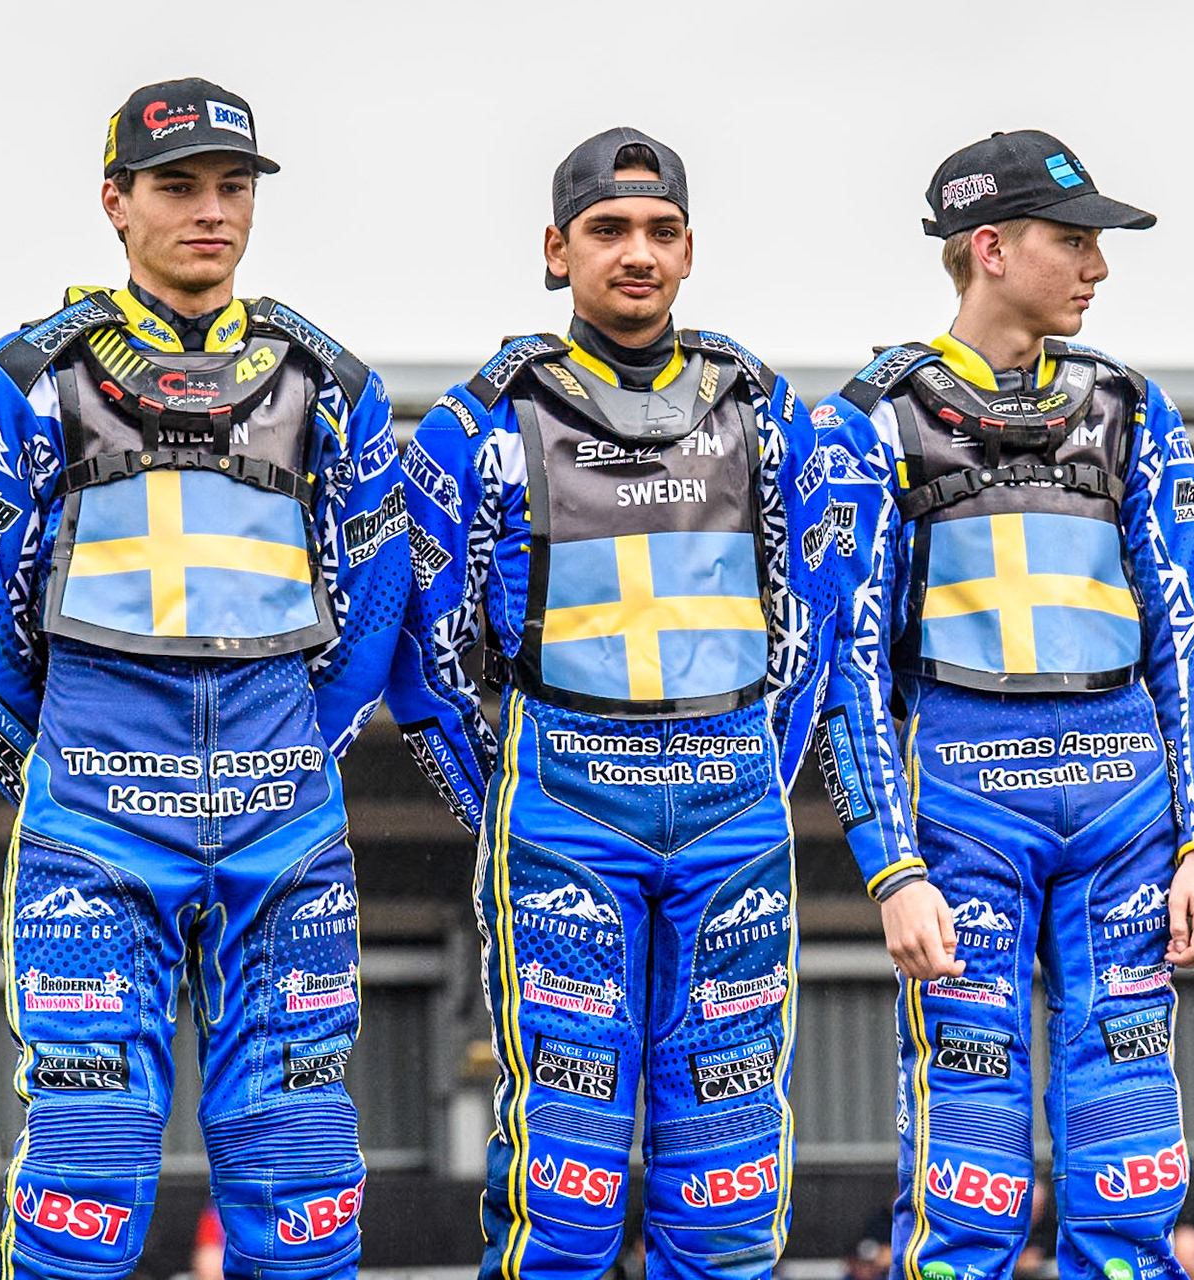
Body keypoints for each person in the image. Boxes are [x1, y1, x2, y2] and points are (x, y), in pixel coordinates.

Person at [0, 78, 403, 1277]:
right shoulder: (16, 381)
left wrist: (293, 755)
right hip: (96, 826)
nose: (211, 211)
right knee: (86, 1167)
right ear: (115, 203)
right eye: (178, 186)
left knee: (300, 1175)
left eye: (233, 186)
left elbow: (377, 614)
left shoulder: (334, 385)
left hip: (283, 828)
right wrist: (60, 772)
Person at [388, 126, 890, 1277]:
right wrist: (503, 799)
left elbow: (814, 617)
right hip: (561, 814)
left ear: (690, 250)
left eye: (662, 230)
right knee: (563, 1182)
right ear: (555, 249)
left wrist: (755, 770)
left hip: (733, 820)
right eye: (608, 229)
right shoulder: (482, 419)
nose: (638, 252)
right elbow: (425, 653)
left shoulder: (765, 409)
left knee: (726, 1184)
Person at [813, 129, 1194, 1280]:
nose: (1099, 265)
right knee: (970, 1162)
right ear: (990, 247)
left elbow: (1187, 637)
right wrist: (893, 866)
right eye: (1074, 239)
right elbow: (847, 664)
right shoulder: (873, 417)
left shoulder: (1130, 406)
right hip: (965, 807)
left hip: (1124, 813)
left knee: (1131, 1151)